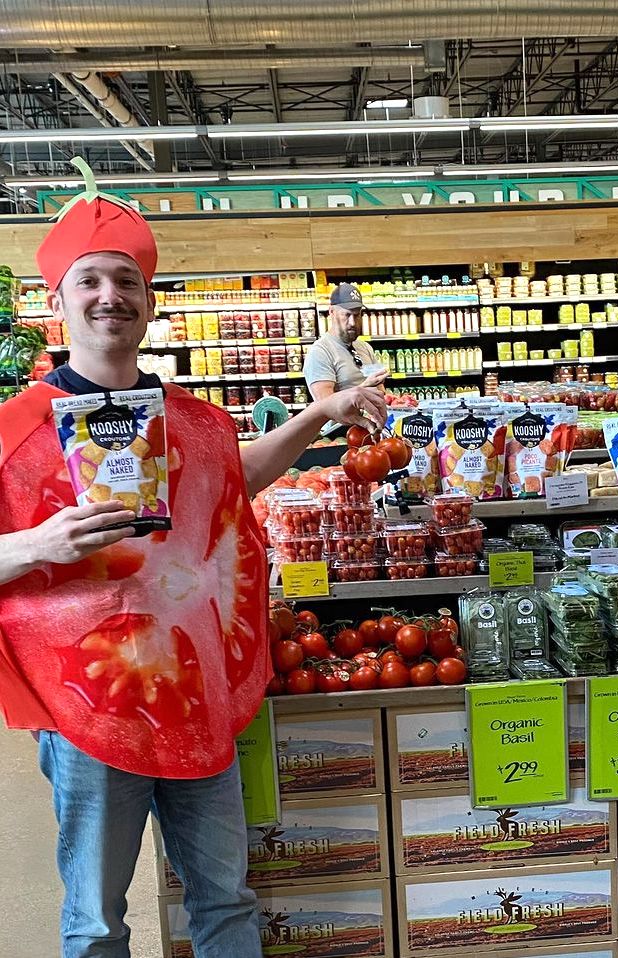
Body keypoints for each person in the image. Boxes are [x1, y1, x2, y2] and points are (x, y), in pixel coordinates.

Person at [0, 163, 386, 958]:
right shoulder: (14, 434)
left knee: (225, 900)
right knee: (96, 919)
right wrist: (39, 544)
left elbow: (234, 478)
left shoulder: (191, 421)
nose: (111, 295)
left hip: (193, 695)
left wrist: (322, 411)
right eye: (91, 280)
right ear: (56, 302)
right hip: (89, 716)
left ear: (148, 301)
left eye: (127, 280)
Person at [305, 282, 385, 402]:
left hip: (370, 420)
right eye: (346, 315)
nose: (352, 322)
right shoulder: (320, 352)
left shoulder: (365, 347)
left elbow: (380, 390)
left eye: (357, 315)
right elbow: (325, 406)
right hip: (341, 422)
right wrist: (363, 389)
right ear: (331, 312)